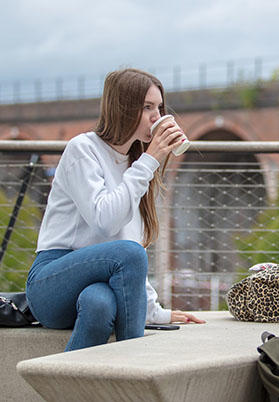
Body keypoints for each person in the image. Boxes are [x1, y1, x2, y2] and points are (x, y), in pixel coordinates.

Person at [26, 68, 204, 352]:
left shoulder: (134, 162)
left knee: (99, 304)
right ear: (123, 107)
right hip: (52, 283)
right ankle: (133, 368)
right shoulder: (83, 149)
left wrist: (155, 311)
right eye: (147, 107)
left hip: (95, 286)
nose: (156, 117)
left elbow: (128, 243)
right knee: (128, 255)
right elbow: (105, 222)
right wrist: (150, 160)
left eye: (159, 107)